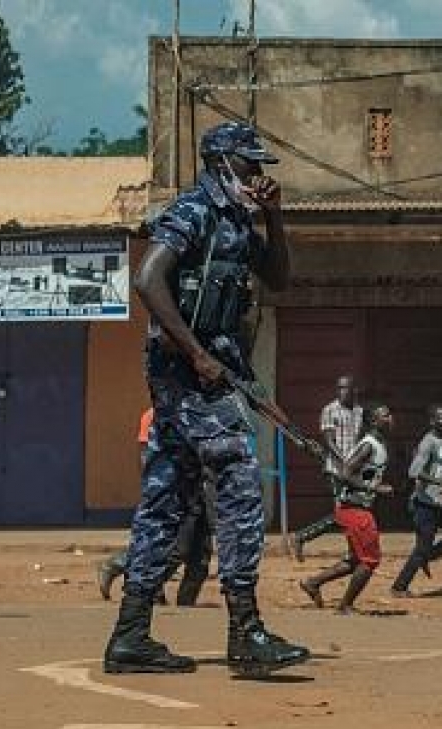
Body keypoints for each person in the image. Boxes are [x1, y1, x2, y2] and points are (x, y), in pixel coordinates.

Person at [102, 121, 309, 676]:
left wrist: (274, 215)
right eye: (250, 165)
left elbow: (281, 279)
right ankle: (245, 632)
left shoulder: (239, 221)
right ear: (221, 162)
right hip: (184, 372)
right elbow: (148, 279)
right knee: (239, 480)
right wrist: (195, 353)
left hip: (215, 373)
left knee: (166, 497)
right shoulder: (193, 211)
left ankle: (130, 635)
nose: (258, 175)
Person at [97, 407, 215, 606]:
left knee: (200, 557)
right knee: (177, 549)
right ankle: (120, 565)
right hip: (176, 490)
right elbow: (146, 458)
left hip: (200, 488)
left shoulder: (201, 412)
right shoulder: (155, 415)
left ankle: (186, 608)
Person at [299, 403, 394, 614]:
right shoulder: (368, 445)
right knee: (370, 561)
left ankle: (313, 583)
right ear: (373, 421)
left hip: (358, 507)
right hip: (355, 509)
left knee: (355, 561)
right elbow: (345, 474)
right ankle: (345, 605)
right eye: (385, 415)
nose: (390, 418)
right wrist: (375, 488)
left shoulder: (379, 444)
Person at [390, 404, 442, 597]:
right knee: (421, 548)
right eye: (441, 419)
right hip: (425, 505)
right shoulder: (428, 442)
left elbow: (440, 469)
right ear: (432, 421)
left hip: (440, 502)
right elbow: (414, 472)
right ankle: (399, 587)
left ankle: (428, 556)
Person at [290, 375, 363, 562]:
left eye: (346, 388)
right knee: (344, 511)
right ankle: (302, 537)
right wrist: (346, 460)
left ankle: (350, 551)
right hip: (337, 468)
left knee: (350, 510)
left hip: (354, 469)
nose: (343, 391)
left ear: (354, 390)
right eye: (340, 388)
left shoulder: (359, 411)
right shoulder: (330, 410)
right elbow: (329, 441)